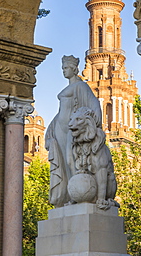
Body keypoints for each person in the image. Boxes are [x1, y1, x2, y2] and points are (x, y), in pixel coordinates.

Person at [45, 55, 102, 207]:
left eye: (66, 68)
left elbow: (94, 103)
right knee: (63, 161)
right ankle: (68, 194)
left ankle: (77, 193)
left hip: (72, 129)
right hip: (60, 128)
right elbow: (60, 111)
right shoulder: (69, 87)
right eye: (63, 68)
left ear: (74, 69)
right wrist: (50, 129)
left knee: (72, 160)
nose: (64, 71)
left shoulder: (81, 86)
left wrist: (94, 123)